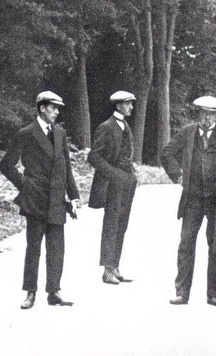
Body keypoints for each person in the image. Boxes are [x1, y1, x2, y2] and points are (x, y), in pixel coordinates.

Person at [0, 91, 80, 309]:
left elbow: (66, 167)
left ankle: (54, 291)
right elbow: (6, 165)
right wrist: (25, 185)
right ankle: (30, 292)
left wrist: (73, 196)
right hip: (35, 199)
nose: (57, 112)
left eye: (58, 108)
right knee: (33, 247)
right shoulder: (25, 133)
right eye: (53, 107)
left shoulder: (60, 133)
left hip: (56, 199)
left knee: (56, 248)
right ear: (42, 108)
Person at [161, 95, 216, 307]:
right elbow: (166, 153)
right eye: (203, 113)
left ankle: (213, 294)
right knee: (186, 243)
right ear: (198, 113)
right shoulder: (187, 132)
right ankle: (182, 292)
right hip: (193, 199)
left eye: (212, 114)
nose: (207, 118)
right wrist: (177, 175)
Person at [88, 91, 138, 285]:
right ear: (118, 106)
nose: (131, 107)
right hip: (112, 184)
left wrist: (131, 175)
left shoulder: (125, 126)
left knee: (122, 224)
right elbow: (93, 157)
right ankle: (107, 270)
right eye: (128, 104)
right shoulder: (106, 127)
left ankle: (115, 266)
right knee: (111, 224)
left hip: (127, 182)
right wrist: (114, 173)